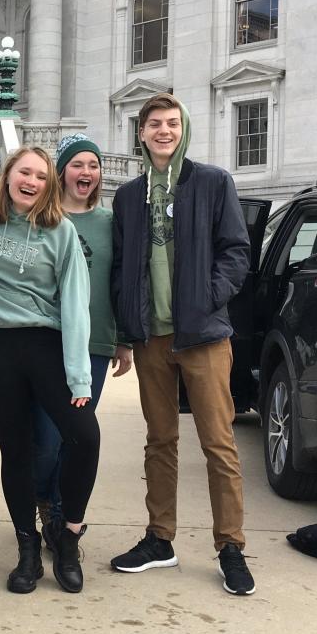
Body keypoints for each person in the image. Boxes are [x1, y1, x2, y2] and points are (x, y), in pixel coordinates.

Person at [109, 93, 256, 596]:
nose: (164, 131)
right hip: (152, 337)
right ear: (142, 133)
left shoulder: (212, 182)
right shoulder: (129, 196)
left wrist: (206, 299)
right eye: (154, 124)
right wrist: (128, 331)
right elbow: (122, 267)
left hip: (203, 336)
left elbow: (236, 251)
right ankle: (160, 538)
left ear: (183, 128)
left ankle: (230, 546)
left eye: (172, 123)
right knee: (160, 440)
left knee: (218, 442)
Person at [0, 147, 100, 595]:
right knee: (17, 451)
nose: (31, 181)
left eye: (41, 176)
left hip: (46, 344)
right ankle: (27, 548)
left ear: (50, 185)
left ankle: (67, 537)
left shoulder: (61, 231)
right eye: (23, 172)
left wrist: (78, 375)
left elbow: (75, 305)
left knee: (84, 436)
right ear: (6, 175)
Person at [33, 134, 133, 549]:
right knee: (45, 441)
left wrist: (124, 340)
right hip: (45, 341)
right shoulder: (41, 220)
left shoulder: (111, 223)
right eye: (78, 164)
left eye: (93, 165)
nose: (86, 172)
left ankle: (60, 518)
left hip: (93, 345)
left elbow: (121, 281)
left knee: (76, 435)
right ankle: (44, 498)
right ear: (62, 171)